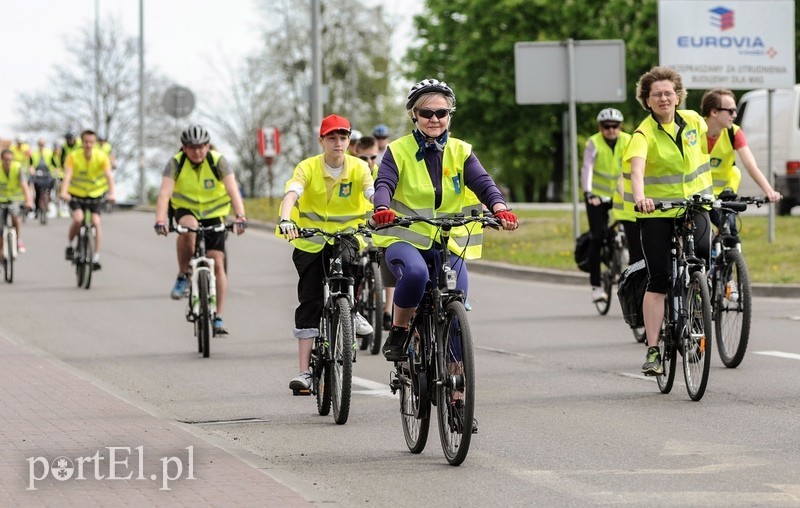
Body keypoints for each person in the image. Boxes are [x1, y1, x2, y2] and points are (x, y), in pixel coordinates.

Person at [371, 78, 518, 362]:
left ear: (449, 115)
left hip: (447, 241)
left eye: (441, 112)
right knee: (416, 274)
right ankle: (399, 329)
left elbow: (484, 184)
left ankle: (456, 374)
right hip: (404, 238)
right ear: (414, 115)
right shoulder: (397, 150)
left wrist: (500, 208)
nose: (434, 119)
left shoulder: (461, 151)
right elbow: (384, 183)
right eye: (426, 113)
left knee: (456, 298)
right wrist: (382, 209)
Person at [624, 66, 713, 376]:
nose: (663, 98)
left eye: (668, 93)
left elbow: (710, 151)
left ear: (678, 96)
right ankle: (653, 350)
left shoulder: (695, 121)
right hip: (657, 212)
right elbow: (637, 170)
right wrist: (641, 197)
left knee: (703, 257)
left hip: (694, 206)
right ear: (647, 101)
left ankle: (698, 309)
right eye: (656, 94)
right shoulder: (642, 134)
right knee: (659, 278)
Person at [277, 114, 375, 392]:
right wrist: (286, 220)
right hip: (310, 240)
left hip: (346, 236)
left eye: (343, 137)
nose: (338, 143)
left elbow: (371, 192)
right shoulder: (307, 167)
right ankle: (304, 372)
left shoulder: (359, 167)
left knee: (351, 264)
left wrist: (382, 208)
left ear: (349, 140)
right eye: (332, 138)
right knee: (310, 301)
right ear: (322, 140)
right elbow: (292, 194)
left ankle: (351, 310)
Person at [154, 125, 247, 335]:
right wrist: (160, 220)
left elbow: (233, 190)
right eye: (192, 147)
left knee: (218, 263)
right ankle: (183, 274)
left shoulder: (218, 161)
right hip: (186, 210)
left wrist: (240, 216)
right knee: (189, 228)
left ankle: (218, 317)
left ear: (207, 146)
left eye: (201, 147)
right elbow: (164, 194)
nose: (197, 151)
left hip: (215, 214)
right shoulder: (176, 163)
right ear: (184, 148)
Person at [700, 88, 782, 235]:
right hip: (701, 192)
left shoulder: (734, 133)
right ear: (714, 112)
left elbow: (750, 165)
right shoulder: (695, 131)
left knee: (730, 230)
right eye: (731, 111)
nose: (735, 115)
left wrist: (769, 191)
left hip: (725, 192)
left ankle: (728, 246)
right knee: (700, 236)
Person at [581, 108, 632, 303]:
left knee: (632, 231)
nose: (611, 130)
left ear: (620, 126)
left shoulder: (628, 140)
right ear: (600, 128)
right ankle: (596, 286)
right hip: (597, 196)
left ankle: (623, 258)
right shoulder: (594, 142)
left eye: (615, 126)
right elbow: (587, 168)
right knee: (597, 237)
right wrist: (588, 193)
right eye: (606, 126)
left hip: (621, 194)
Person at [60, 130, 116, 269]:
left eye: (91, 142)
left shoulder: (102, 157)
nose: (88, 145)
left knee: (96, 222)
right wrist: (64, 192)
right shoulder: (73, 156)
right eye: (86, 142)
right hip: (76, 193)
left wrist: (112, 194)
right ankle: (71, 245)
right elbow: (67, 175)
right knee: (78, 219)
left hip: (96, 194)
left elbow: (109, 176)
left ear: (95, 143)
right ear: (82, 142)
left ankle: (96, 256)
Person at [356, 135, 395, 329]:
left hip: (378, 228)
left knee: (388, 263)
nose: (369, 162)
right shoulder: (353, 172)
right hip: (357, 229)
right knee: (354, 266)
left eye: (373, 157)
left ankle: (387, 310)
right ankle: (354, 306)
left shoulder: (382, 172)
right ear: (355, 154)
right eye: (364, 158)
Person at [0, 148, 34, 256]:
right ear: (1, 159)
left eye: (10, 159)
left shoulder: (17, 168)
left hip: (15, 200)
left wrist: (29, 201)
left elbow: (24, 185)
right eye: (5, 159)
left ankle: (18, 239)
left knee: (15, 217)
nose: (8, 162)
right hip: (1, 201)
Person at [29, 138, 57, 219]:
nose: (41, 146)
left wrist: (55, 171)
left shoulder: (49, 152)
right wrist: (32, 170)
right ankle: (37, 210)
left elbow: (54, 164)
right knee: (37, 193)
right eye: (40, 144)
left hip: (47, 174)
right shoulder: (34, 153)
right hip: (37, 175)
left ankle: (47, 204)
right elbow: (31, 164)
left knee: (48, 190)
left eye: (42, 144)